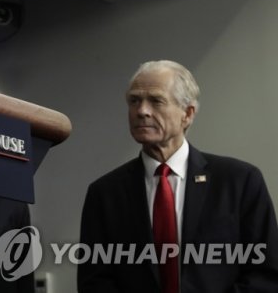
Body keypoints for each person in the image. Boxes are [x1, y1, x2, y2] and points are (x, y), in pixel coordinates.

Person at [78, 60, 278, 292]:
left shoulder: (239, 181)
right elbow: (94, 282)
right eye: (134, 101)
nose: (141, 111)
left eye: (156, 100)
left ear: (187, 114)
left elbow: (266, 275)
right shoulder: (105, 193)